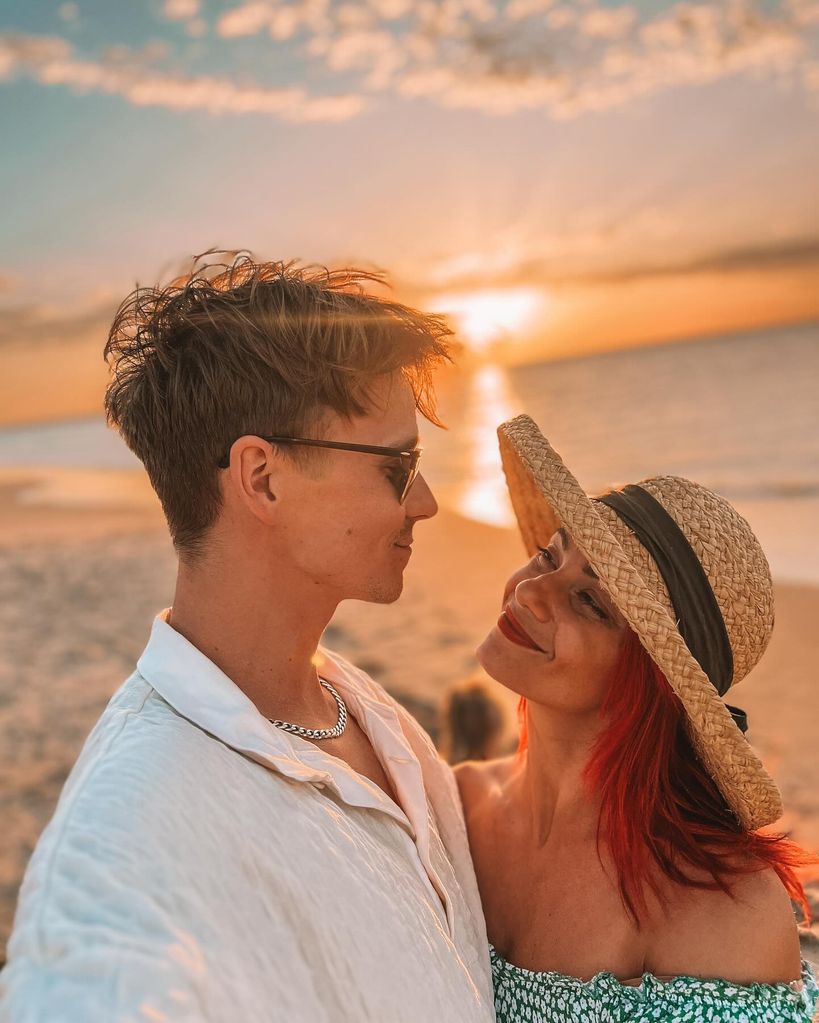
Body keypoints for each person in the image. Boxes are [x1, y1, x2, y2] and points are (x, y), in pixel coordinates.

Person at [0, 254, 493, 1022]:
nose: (425, 501)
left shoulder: (368, 711)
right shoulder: (124, 847)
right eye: (397, 467)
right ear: (262, 477)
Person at [455, 414, 818, 1023]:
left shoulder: (722, 907)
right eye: (550, 555)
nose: (529, 592)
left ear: (653, 682)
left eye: (591, 602)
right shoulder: (454, 805)